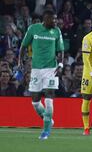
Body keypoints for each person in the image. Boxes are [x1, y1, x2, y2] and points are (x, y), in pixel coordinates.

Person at [18, 10, 64, 140]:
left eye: (56, 19)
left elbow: (61, 50)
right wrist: (20, 61)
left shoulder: (57, 31)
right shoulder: (33, 29)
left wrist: (60, 65)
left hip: (51, 68)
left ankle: (46, 130)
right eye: (53, 19)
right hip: (36, 69)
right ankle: (48, 119)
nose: (55, 21)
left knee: (49, 95)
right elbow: (23, 45)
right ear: (46, 18)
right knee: (35, 101)